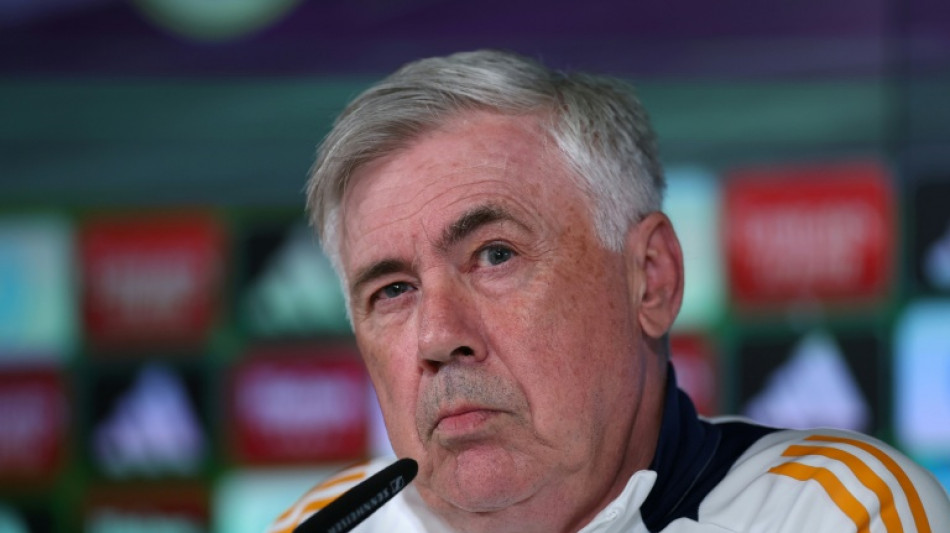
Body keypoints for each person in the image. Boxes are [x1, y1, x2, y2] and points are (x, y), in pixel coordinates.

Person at [267, 50, 950, 533]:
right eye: (393, 290)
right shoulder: (316, 526)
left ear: (650, 278)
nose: (439, 335)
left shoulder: (833, 513)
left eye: (495, 255)